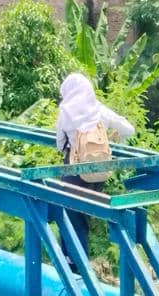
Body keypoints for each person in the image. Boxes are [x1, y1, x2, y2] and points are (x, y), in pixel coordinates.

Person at [53, 72, 135, 267]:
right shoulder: (99, 110)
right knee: (84, 214)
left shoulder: (66, 112)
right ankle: (76, 261)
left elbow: (59, 144)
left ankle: (75, 264)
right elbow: (128, 129)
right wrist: (115, 139)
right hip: (99, 172)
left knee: (71, 215)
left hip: (75, 171)